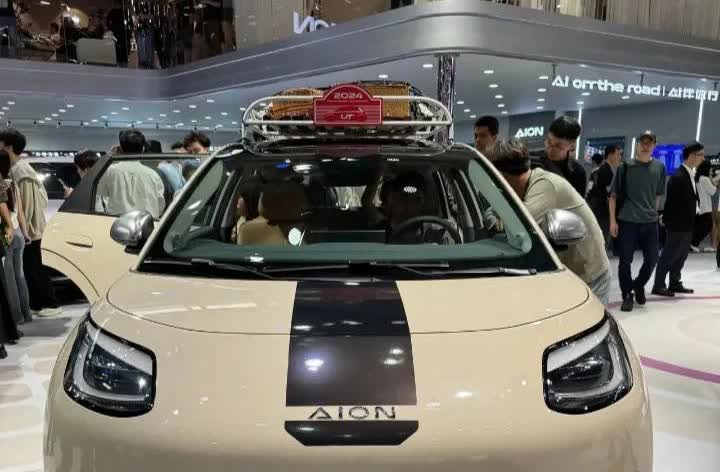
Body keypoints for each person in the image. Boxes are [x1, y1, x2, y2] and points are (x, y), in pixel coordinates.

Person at [495, 139, 611, 304]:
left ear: (502, 176)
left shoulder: (544, 187)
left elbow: (516, 231)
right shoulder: (527, 186)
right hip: (567, 277)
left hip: (590, 278)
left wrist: (496, 218)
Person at [0, 129, 61, 318]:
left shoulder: (21, 170)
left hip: (29, 230)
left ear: (9, 146)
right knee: (27, 270)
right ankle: (36, 305)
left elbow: (26, 205)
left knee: (33, 269)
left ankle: (49, 304)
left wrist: (24, 229)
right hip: (26, 229)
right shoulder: (17, 168)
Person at [609, 130, 667, 312]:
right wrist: (612, 221)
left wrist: (653, 212)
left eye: (650, 142)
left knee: (652, 258)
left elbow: (657, 195)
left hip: (650, 222)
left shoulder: (659, 167)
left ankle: (638, 284)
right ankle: (627, 294)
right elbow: (613, 196)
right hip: (628, 220)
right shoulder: (625, 167)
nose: (646, 145)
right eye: (643, 142)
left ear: (654, 146)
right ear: (637, 144)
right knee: (625, 260)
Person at [652, 142, 705, 297]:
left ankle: (675, 282)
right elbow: (671, 203)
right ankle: (658, 285)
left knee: (681, 255)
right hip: (677, 224)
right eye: (701, 155)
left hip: (687, 223)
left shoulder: (689, 174)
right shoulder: (678, 177)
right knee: (669, 254)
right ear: (692, 156)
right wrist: (668, 220)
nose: (703, 158)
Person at [95, 130, 166, 219]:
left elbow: (99, 198)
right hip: (147, 224)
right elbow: (160, 206)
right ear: (143, 149)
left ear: (121, 149)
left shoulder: (109, 171)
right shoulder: (153, 175)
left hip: (118, 223)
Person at [0, 149, 31, 326]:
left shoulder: (1, 186)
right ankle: (26, 314)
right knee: (20, 275)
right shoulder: (13, 184)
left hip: (6, 234)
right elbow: (21, 213)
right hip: (19, 233)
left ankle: (16, 318)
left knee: (9, 278)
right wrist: (25, 233)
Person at [381, 172, 455, 245]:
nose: (410, 204)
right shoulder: (379, 231)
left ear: (423, 202)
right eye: (404, 197)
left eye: (417, 199)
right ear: (394, 199)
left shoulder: (437, 232)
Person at [533, 115, 587, 197]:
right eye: (549, 142)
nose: (550, 149)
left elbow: (576, 204)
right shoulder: (532, 159)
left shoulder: (578, 173)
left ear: (572, 146)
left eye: (558, 146)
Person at [587, 144, 623, 253]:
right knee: (602, 239)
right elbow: (608, 193)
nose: (619, 157)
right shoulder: (605, 170)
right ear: (610, 155)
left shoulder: (605, 169)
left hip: (600, 208)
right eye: (618, 154)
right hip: (602, 210)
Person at [690, 160, 716, 252]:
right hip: (706, 207)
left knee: (700, 227)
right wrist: (713, 181)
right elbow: (713, 191)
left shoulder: (698, 178)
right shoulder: (705, 179)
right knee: (706, 227)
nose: (711, 169)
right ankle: (693, 243)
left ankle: (693, 243)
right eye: (710, 168)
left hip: (701, 206)